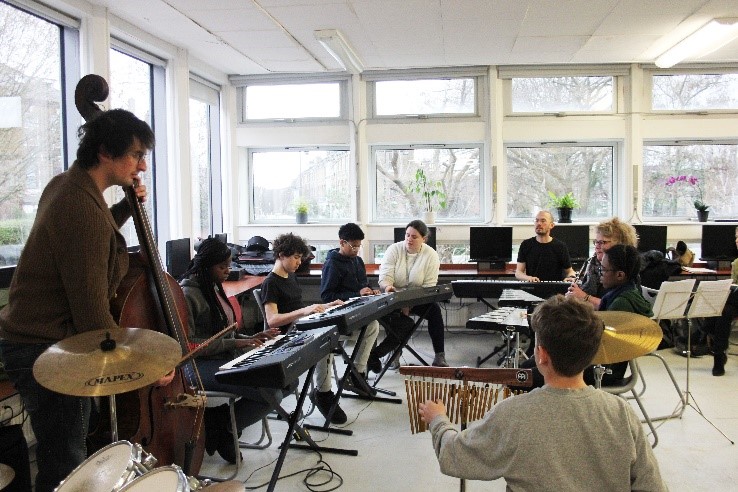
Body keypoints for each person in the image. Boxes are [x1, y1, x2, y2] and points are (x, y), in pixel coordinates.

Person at [0, 109, 165, 492]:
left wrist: (126, 207)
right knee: (65, 462)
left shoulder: (67, 186)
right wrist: (140, 362)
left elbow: (91, 235)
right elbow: (91, 310)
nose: (142, 165)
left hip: (35, 342)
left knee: (66, 452)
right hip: (47, 346)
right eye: (136, 154)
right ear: (106, 151)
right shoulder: (78, 206)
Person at [417, 295, 667, 491]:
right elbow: (651, 486)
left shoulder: (513, 414)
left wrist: (438, 419)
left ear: (541, 355)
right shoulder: (621, 413)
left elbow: (454, 456)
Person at [179, 237, 285, 464]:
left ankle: (219, 425)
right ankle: (223, 428)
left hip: (222, 357)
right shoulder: (188, 295)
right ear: (206, 267)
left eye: (229, 265)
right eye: (222, 267)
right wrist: (238, 344)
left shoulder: (214, 288)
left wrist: (250, 338)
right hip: (197, 367)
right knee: (271, 393)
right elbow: (189, 346)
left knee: (285, 379)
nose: (229, 270)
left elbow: (224, 333)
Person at [260, 233, 345, 423]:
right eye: (296, 257)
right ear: (281, 255)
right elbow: (272, 320)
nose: (299, 262)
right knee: (325, 340)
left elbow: (298, 309)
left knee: (331, 331)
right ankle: (323, 394)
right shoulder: (271, 283)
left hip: (299, 329)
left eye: (300, 257)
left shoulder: (290, 276)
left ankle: (323, 391)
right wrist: (306, 310)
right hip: (286, 338)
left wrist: (327, 306)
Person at [376, 220, 448, 367]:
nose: (409, 239)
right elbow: (384, 278)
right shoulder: (394, 250)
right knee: (396, 318)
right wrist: (393, 292)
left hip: (418, 298)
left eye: (414, 237)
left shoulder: (431, 255)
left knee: (434, 310)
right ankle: (394, 352)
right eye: (407, 235)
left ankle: (439, 355)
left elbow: (429, 286)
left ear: (424, 239)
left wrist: (409, 302)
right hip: (394, 297)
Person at [320, 223, 382, 393]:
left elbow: (363, 284)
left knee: (374, 325)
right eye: (353, 246)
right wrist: (357, 293)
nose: (356, 249)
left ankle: (357, 373)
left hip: (358, 310)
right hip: (340, 315)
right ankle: (357, 374)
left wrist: (370, 290)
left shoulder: (358, 261)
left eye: (359, 246)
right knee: (372, 326)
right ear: (342, 243)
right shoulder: (332, 264)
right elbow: (327, 296)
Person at [567, 217, 638, 309]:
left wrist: (584, 297)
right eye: (596, 242)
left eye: (602, 242)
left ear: (620, 245)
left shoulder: (625, 271)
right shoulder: (591, 264)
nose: (597, 246)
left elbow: (615, 306)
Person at [700, 226, 738, 376]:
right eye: (736, 237)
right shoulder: (736, 263)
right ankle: (718, 356)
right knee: (724, 311)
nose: (736, 241)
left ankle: (703, 330)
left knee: (724, 302)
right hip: (735, 302)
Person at [515, 210, 576, 282]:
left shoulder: (560, 246)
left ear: (551, 225)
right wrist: (528, 278)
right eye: (536, 220)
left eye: (543, 221)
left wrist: (571, 277)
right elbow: (518, 273)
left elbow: (569, 271)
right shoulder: (526, 245)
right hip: (532, 288)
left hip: (555, 290)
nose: (539, 223)